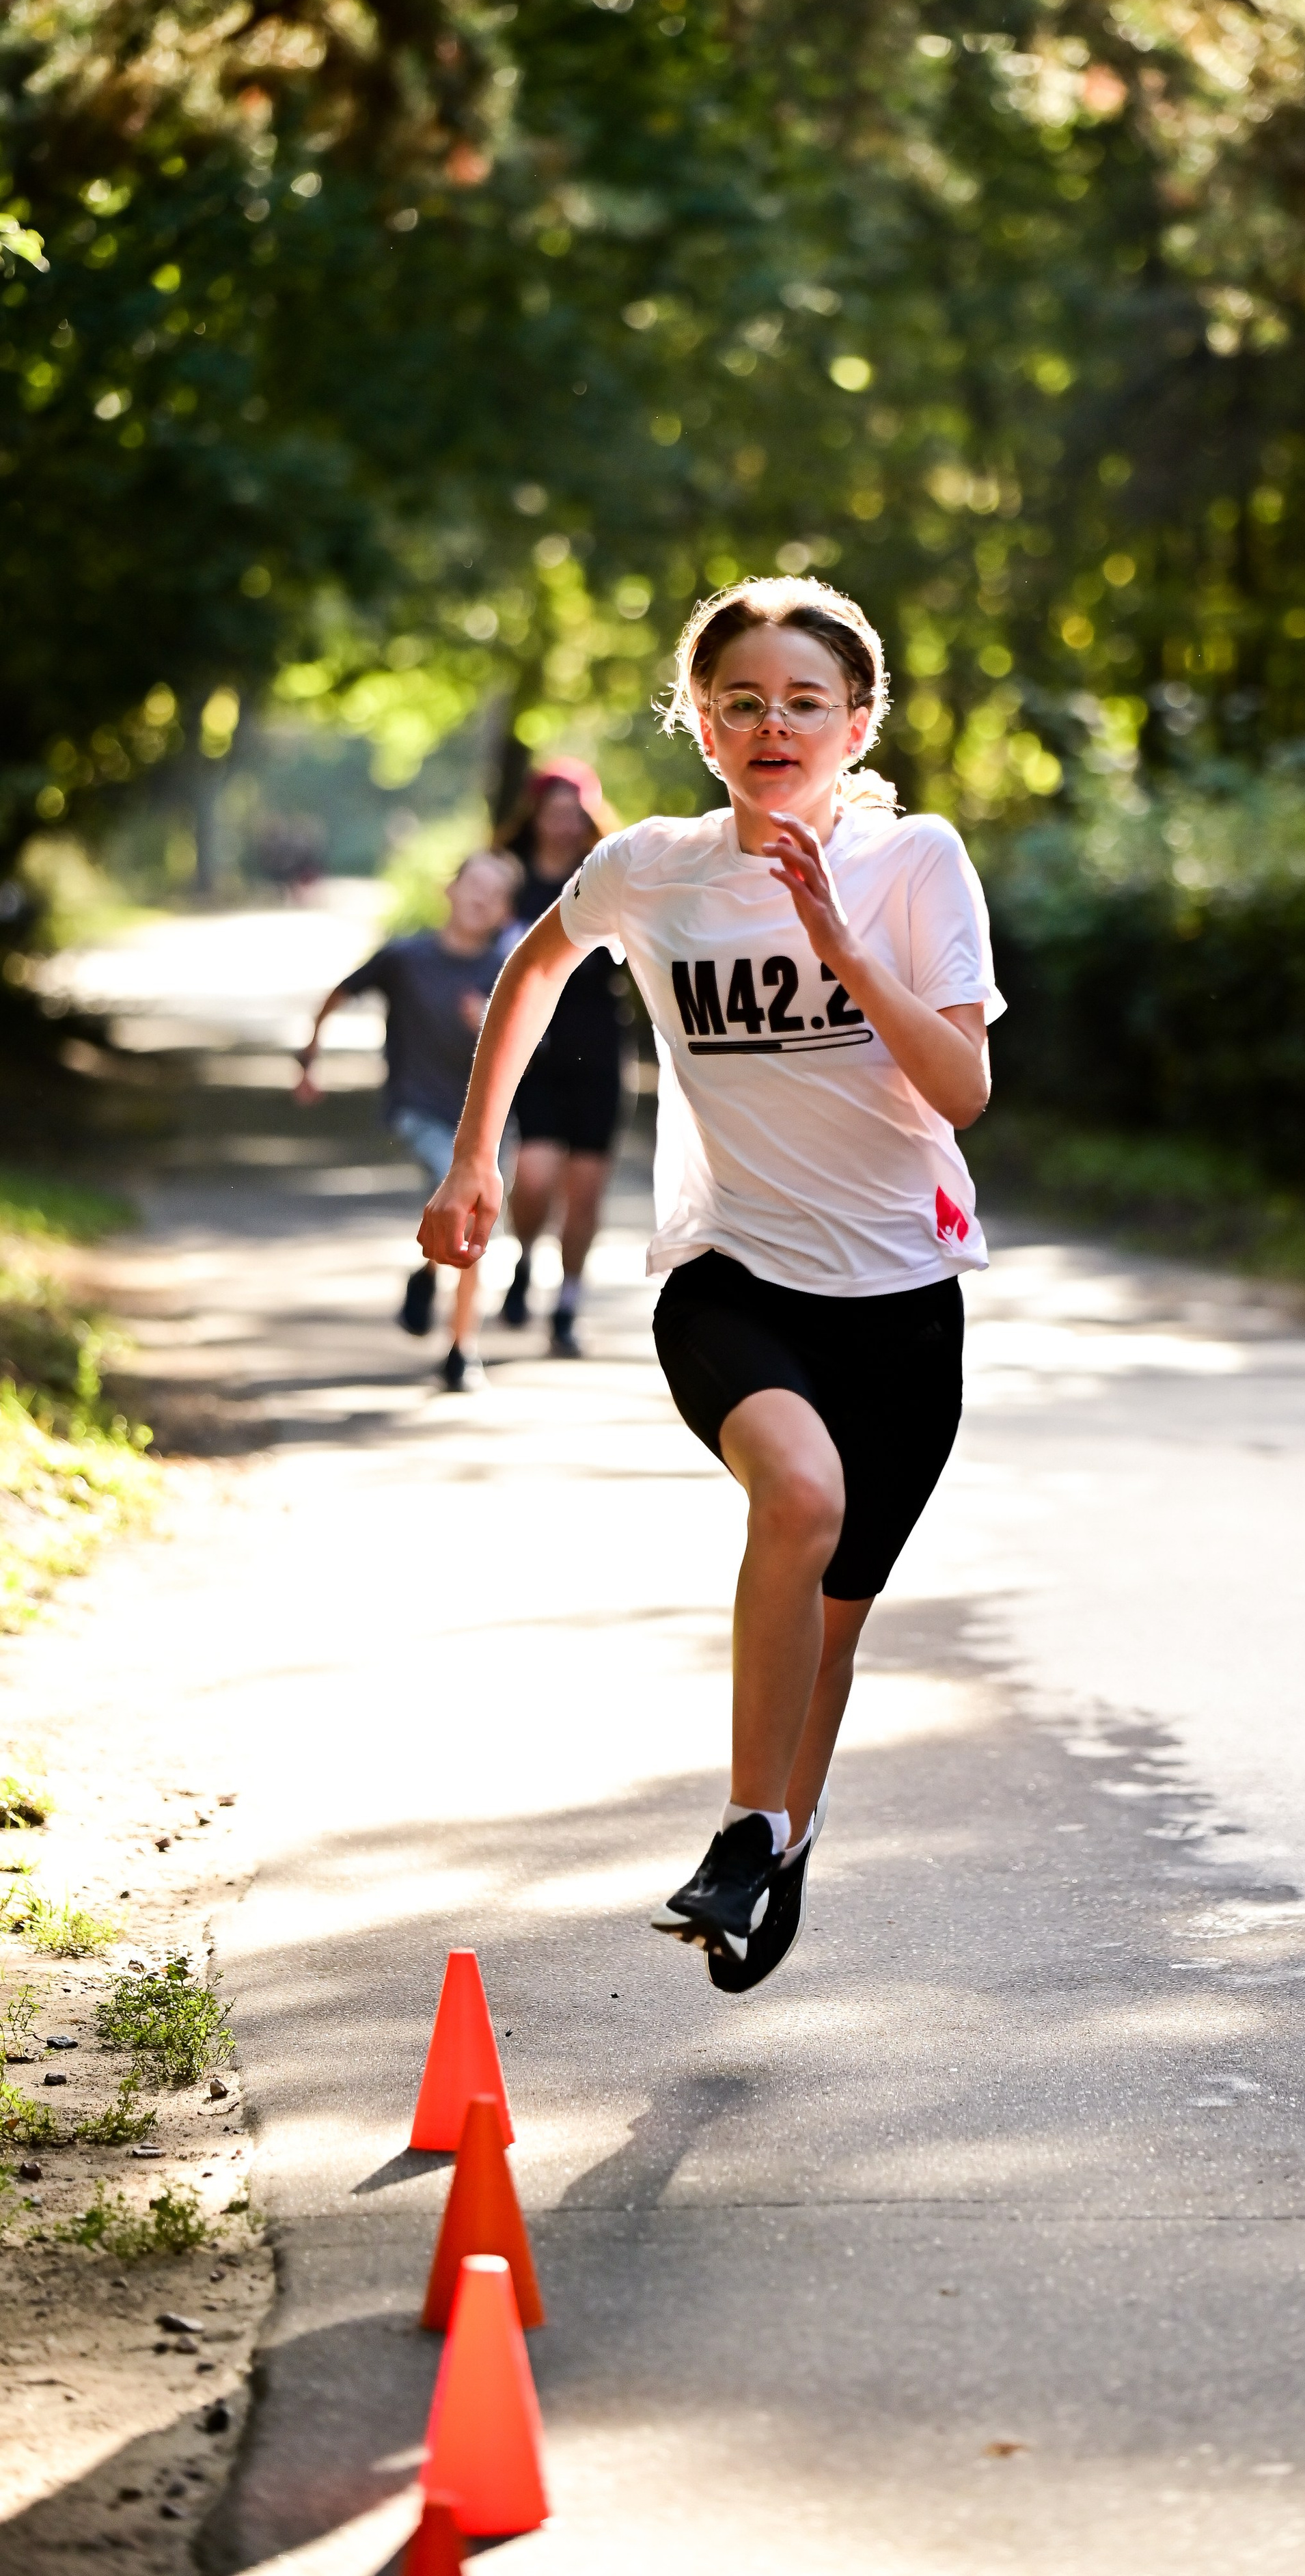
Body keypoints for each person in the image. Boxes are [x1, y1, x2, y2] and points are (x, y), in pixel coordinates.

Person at [419, 575, 1002, 1992]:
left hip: (903, 1300)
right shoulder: (650, 869)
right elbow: (534, 970)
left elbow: (965, 1089)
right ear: (696, 719)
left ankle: (781, 1838)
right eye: (739, 698)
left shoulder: (914, 860)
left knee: (836, 1623)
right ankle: (747, 1826)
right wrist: (472, 1160)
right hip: (728, 1275)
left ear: (855, 723)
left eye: (804, 701)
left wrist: (842, 943)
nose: (770, 723)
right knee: (798, 1498)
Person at [297, 848, 520, 1393]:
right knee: (467, 1211)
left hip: (486, 1125)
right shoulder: (406, 957)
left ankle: (438, 1298)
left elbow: (537, 1050)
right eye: (473, 886)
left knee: (469, 1223)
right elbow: (339, 995)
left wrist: (491, 1026)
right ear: (450, 890)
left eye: (494, 895)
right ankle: (463, 1354)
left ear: (503, 912)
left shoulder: (508, 972)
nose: (480, 899)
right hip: (416, 1111)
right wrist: (310, 1058)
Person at [493, 757, 628, 1358]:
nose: (564, 824)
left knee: (585, 1189)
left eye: (575, 814)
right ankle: (523, 1259)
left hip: (598, 1049)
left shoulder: (606, 877)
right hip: (534, 1052)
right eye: (554, 813)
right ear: (535, 815)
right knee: (537, 1174)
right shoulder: (510, 879)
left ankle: (569, 1299)